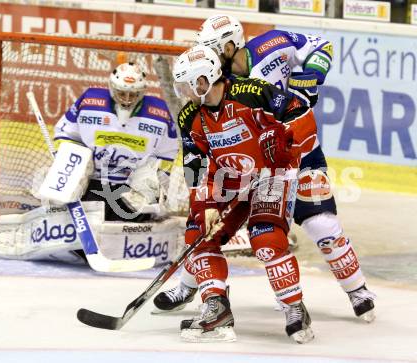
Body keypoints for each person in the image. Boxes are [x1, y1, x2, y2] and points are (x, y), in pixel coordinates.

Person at [155, 15, 375, 323]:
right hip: (243, 168)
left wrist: (310, 74)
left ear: (230, 45)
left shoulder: (272, 45)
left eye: (212, 48)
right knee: (205, 227)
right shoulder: (217, 86)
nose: (209, 55)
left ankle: (357, 290)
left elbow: (321, 46)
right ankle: (193, 286)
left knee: (320, 225)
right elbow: (197, 154)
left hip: (296, 156)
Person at [166, 45, 319, 343]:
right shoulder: (190, 116)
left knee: (266, 236)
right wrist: (204, 205)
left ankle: (293, 306)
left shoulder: (253, 92)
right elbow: (193, 164)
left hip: (273, 173)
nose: (184, 91)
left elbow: (302, 116)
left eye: (187, 84)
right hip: (230, 179)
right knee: (198, 233)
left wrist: (284, 140)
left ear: (204, 80)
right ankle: (216, 306)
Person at [53, 62, 179, 222]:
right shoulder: (89, 102)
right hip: (93, 182)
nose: (127, 100)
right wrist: (74, 167)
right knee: (79, 223)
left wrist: (156, 182)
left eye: (133, 94)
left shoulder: (159, 113)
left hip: (131, 188)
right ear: (112, 88)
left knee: (136, 228)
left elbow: (167, 154)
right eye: (122, 93)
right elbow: (65, 134)